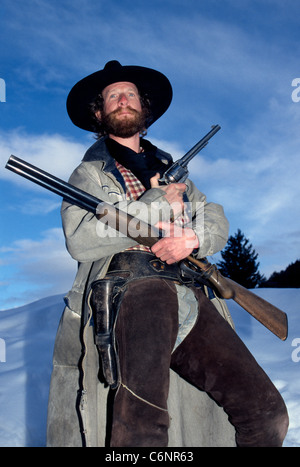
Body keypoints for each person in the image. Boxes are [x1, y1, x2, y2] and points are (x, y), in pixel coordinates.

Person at [46, 60, 288, 447]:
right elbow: (81, 241)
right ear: (99, 112)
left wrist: (191, 240)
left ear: (144, 108)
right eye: (112, 96)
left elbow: (215, 218)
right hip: (129, 290)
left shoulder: (171, 170)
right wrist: (157, 202)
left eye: (129, 94)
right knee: (142, 426)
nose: (122, 100)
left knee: (268, 415)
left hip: (187, 295)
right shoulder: (88, 175)